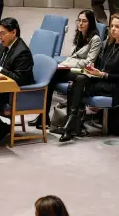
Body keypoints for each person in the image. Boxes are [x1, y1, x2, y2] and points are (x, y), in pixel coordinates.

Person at [28, 10, 102, 129]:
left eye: (84, 21)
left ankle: (46, 118)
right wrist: (65, 64)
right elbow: (72, 56)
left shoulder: (95, 39)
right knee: (49, 78)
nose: (80, 24)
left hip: (83, 72)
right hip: (71, 68)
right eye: (79, 20)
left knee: (53, 76)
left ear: (91, 23)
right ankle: (43, 116)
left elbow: (89, 62)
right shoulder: (78, 35)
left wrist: (69, 64)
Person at [60, 13, 119, 142]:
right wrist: (93, 69)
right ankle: (72, 125)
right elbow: (99, 65)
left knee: (75, 87)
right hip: (100, 80)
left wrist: (103, 74)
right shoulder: (107, 45)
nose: (113, 29)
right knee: (78, 80)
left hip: (113, 85)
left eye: (117, 26)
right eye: (112, 26)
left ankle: (71, 126)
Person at [0, 17, 34, 144]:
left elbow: (18, 78)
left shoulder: (23, 52)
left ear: (14, 32)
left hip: (16, 92)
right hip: (2, 87)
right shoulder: (5, 44)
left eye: (2, 33)